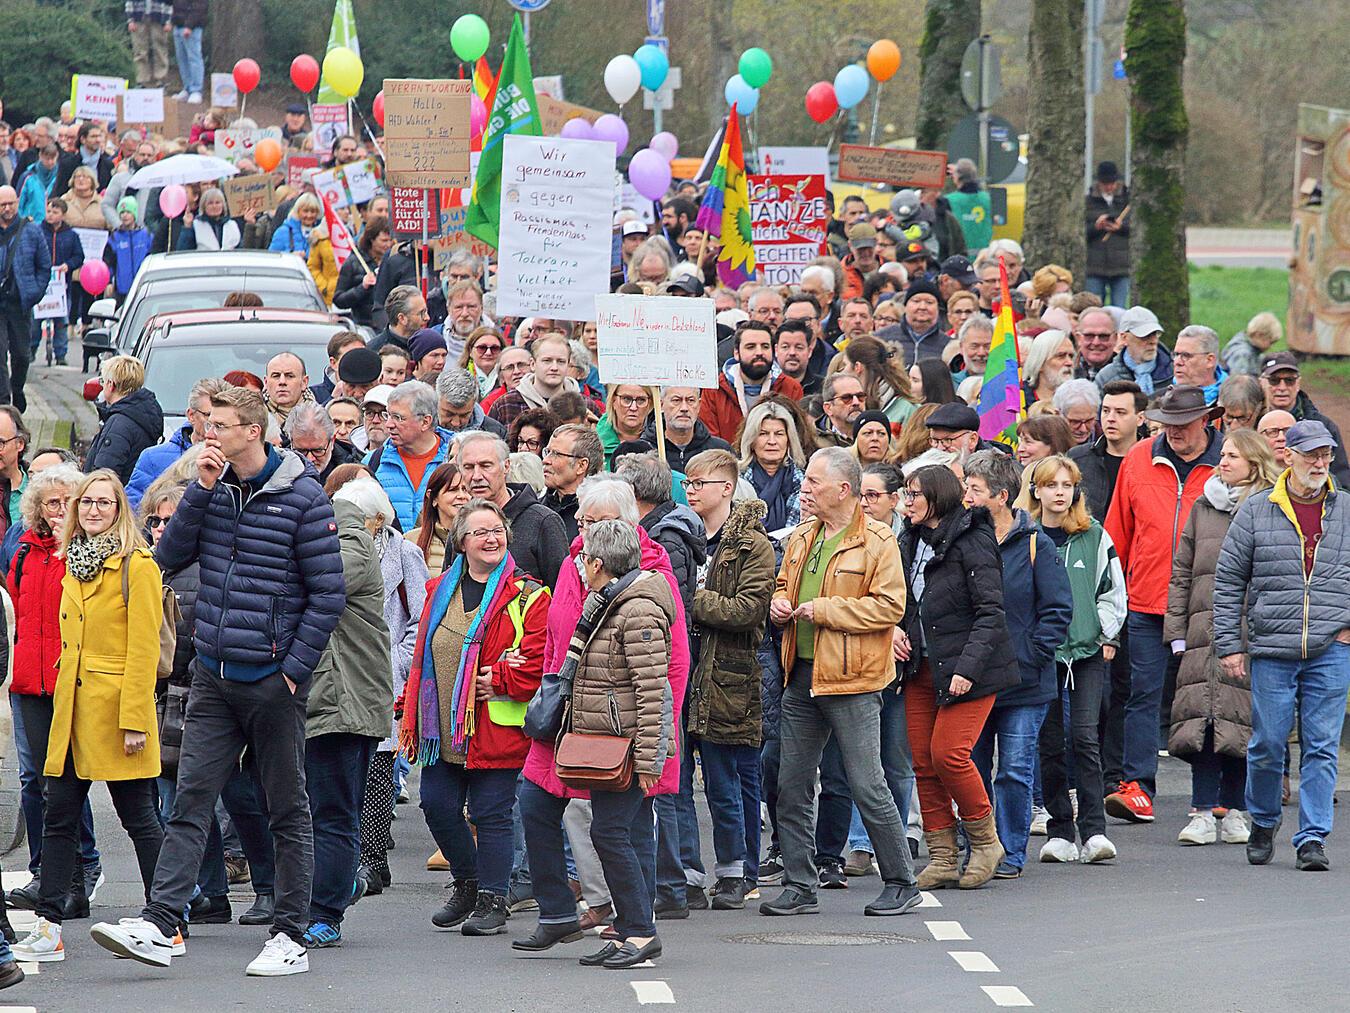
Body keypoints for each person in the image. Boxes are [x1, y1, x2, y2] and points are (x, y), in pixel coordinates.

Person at [88, 384, 344, 977]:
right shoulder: (210, 487)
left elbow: (329, 596)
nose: (209, 434)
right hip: (214, 674)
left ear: (253, 431)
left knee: (286, 808)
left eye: (220, 426)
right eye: (207, 424)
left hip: (273, 679)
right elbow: (168, 557)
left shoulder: (302, 496)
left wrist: (292, 672)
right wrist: (201, 491)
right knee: (190, 801)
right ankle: (161, 921)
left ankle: (289, 934)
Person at [514, 479, 689, 949]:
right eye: (583, 520)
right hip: (568, 719)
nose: (585, 529)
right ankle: (560, 913)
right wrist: (549, 698)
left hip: (618, 729)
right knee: (536, 805)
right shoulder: (578, 563)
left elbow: (665, 673)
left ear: (626, 525)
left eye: (597, 522)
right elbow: (557, 643)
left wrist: (653, 747)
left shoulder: (646, 580)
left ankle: (636, 926)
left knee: (622, 829)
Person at [12, 470, 165, 964]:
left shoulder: (137, 565)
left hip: (116, 711)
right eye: (87, 502)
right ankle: (49, 925)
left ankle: (167, 919)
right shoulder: (73, 561)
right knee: (59, 817)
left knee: (139, 818)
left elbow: (144, 649)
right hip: (73, 708)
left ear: (120, 510)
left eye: (104, 502)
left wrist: (135, 718)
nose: (94, 510)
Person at [762, 447, 920, 917]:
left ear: (843, 489)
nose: (805, 489)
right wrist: (778, 604)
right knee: (791, 785)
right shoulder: (803, 535)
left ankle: (901, 881)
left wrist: (827, 610)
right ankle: (799, 883)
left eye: (814, 482)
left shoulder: (878, 540)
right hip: (801, 675)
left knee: (867, 784)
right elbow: (783, 585)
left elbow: (890, 607)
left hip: (853, 680)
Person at [404, 497, 548, 935]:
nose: (491, 539)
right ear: (461, 541)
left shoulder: (529, 595)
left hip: (495, 730)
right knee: (436, 806)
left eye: (497, 531)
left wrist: (500, 678)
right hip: (442, 732)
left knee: (491, 814)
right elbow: (423, 654)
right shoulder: (439, 590)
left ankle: (492, 899)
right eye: (480, 532)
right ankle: (467, 883)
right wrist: (409, 700)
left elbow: (540, 660)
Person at [1214, 420, 1350, 870]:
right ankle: (1264, 819)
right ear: (1287, 456)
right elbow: (1228, 580)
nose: (1320, 462)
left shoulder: (1346, 509)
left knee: (1322, 746)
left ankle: (1312, 838)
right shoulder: (1257, 510)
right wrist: (1229, 644)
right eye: (1310, 454)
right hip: (1272, 646)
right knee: (1268, 743)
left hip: (1332, 647)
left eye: (1325, 454)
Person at [1104, 385, 1224, 823]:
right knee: (1142, 694)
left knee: (1208, 698)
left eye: (1183, 423)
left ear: (1205, 421)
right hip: (1146, 600)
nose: (1174, 431)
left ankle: (1212, 792)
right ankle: (1138, 787)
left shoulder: (1227, 462)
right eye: (1168, 423)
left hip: (1206, 604)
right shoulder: (1138, 457)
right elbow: (1117, 531)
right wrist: (1111, 595)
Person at [897, 464, 1020, 890]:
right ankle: (943, 857)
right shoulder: (909, 539)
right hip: (921, 667)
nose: (907, 502)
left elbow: (991, 612)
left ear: (938, 497)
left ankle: (986, 844)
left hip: (971, 669)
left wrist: (966, 669)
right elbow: (904, 603)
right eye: (906, 494)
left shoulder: (973, 538)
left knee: (949, 754)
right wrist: (896, 630)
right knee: (923, 762)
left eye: (914, 494)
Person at [962, 451, 1073, 879]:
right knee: (972, 767)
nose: (967, 496)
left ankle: (1010, 852)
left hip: (1024, 682)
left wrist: (1030, 655)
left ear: (1001, 496)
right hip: (973, 678)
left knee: (1013, 770)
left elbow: (1057, 609)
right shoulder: (962, 540)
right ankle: (979, 846)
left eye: (975, 489)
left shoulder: (1034, 543)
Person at [1165, 429, 1276, 847]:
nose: (1222, 462)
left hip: (1255, 632)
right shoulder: (1203, 506)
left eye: (1232, 456)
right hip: (1203, 631)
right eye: (1223, 454)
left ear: (1254, 462)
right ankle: (1200, 811)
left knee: (1243, 720)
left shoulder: (1271, 507)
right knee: (1204, 720)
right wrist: (1177, 632)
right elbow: (1182, 571)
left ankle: (1235, 811)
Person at [7, 464, 105, 918]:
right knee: (35, 780)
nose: (61, 509)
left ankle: (78, 873)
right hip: (29, 681)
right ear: (38, 508)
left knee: (65, 783)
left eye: (69, 501)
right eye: (52, 502)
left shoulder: (85, 554)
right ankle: (46, 874)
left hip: (71, 681)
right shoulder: (25, 553)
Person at [300, 479, 393, 948]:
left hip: (343, 701)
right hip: (332, 698)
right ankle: (328, 894)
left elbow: (326, 580)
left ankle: (325, 911)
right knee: (324, 810)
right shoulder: (348, 533)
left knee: (331, 812)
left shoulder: (349, 539)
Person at [1023, 455, 1126, 866]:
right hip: (1042, 655)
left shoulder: (1094, 534)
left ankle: (1095, 831)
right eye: (1051, 485)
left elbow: (1112, 590)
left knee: (1084, 738)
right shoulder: (1025, 536)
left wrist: (1098, 631)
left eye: (1067, 485)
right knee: (1049, 742)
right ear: (1036, 490)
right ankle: (1060, 830)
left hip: (1085, 654)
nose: (1060, 493)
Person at [683, 452, 775, 910]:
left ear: (727, 488)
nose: (691, 490)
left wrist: (692, 599)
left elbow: (748, 610)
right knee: (680, 782)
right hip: (686, 670)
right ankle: (687, 873)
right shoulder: (682, 538)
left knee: (727, 782)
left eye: (700, 482)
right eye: (688, 482)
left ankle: (735, 872)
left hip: (729, 675)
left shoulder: (751, 545)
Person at [349, 478, 427, 897]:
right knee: (347, 767)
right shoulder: (334, 549)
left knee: (380, 767)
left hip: (386, 673)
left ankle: (373, 859)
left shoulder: (403, 552)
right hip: (344, 671)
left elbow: (420, 616)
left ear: (378, 519)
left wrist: (398, 659)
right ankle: (352, 858)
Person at [457, 432, 567, 589]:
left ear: (506, 467)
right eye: (468, 467)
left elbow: (561, 592)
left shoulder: (543, 521)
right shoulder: (462, 520)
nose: (476, 476)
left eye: (486, 466)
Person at [126, 377, 226, 508]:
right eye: (208, 415)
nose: (214, 424)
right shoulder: (153, 458)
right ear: (191, 415)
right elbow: (133, 508)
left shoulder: (235, 462)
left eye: (222, 419)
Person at [1257, 352, 1350, 488]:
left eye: (1290, 380)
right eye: (1274, 380)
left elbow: (1342, 478)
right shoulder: (1250, 419)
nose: (1282, 387)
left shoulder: (1323, 426)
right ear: (1261, 382)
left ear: (1298, 383)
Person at [370, 381, 452, 532]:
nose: (388, 424)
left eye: (398, 418)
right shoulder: (374, 461)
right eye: (388, 415)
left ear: (425, 422)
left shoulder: (455, 459)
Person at [0, 184, 51, 411]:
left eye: (10, 204)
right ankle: (3, 403)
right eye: (2, 205)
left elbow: (44, 266)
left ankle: (17, 388)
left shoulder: (31, 231)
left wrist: (34, 293)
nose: (7, 208)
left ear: (17, 202)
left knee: (21, 354)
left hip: (20, 303)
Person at [1069, 380, 1145, 521]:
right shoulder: (1077, 458)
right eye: (1105, 411)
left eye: (1120, 412)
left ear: (1140, 418)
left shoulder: (1152, 461)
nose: (1110, 418)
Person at [84, 356, 164, 485]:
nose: (102, 386)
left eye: (103, 381)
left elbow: (104, 473)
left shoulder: (119, 424)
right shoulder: (143, 414)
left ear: (110, 385)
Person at [489, 334, 583, 430]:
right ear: (533, 364)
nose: (554, 367)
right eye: (547, 361)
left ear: (568, 365)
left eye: (561, 361)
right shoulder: (505, 404)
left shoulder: (584, 404)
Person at [740, 400, 805, 535]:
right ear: (751, 440)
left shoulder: (802, 483)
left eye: (779, 434)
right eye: (763, 434)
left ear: (789, 440)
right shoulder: (738, 482)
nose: (772, 441)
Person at [641, 388, 732, 473]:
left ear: (699, 405)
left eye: (690, 400)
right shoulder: (644, 451)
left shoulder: (719, 451)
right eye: (676, 400)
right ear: (661, 405)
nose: (684, 408)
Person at [542, 424, 603, 542]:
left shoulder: (598, 518)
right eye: (547, 452)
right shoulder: (536, 508)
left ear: (581, 465)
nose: (546, 460)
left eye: (556, 454)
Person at [1094, 306, 1174, 395]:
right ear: (1124, 338)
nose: (1153, 341)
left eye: (1155, 334)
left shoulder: (1175, 371)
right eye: (1144, 336)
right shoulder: (1106, 377)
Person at [839, 335, 920, 423]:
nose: (842, 371)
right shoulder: (849, 407)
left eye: (845, 365)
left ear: (857, 367)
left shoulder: (909, 410)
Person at [406, 462, 468, 574]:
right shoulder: (410, 541)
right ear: (433, 497)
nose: (462, 496)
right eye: (452, 490)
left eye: (465, 489)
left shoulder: (480, 538)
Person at [1085, 162, 1131, 307]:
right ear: (1099, 182)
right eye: (1105, 184)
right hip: (1094, 267)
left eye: (1112, 183)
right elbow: (1081, 234)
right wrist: (1096, 227)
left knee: (1119, 308)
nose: (1109, 187)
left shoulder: (1127, 201)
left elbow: (1136, 231)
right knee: (1094, 307)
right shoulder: (1088, 202)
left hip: (1121, 266)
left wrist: (1121, 227)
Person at [333, 221, 391, 328]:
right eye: (384, 241)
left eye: (390, 240)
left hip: (388, 325)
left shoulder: (393, 261)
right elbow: (339, 300)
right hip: (364, 326)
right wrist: (363, 287)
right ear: (371, 240)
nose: (388, 245)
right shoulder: (353, 263)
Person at [877, 278, 946, 366]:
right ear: (905, 306)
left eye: (929, 302)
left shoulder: (947, 344)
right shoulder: (881, 338)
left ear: (938, 308)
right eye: (916, 301)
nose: (922, 307)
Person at [284, 402, 354, 487]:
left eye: (318, 451)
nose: (310, 459)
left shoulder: (353, 474)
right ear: (291, 443)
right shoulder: (278, 468)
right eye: (301, 451)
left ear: (332, 441)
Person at [436, 368, 506, 440]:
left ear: (473, 405)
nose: (456, 423)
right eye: (449, 414)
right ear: (437, 402)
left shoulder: (495, 433)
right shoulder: (427, 430)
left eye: (464, 415)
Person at [946, 159, 993, 253]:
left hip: (960, 254)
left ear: (958, 177)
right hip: (984, 254)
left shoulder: (949, 200)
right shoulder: (986, 198)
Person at [597, 386, 652, 466]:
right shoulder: (593, 446)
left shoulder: (662, 445)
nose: (633, 407)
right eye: (626, 399)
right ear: (613, 401)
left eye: (641, 400)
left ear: (650, 404)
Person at [175, 187, 243, 251]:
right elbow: (182, 250)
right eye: (210, 203)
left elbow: (241, 249)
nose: (214, 206)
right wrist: (187, 227)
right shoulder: (196, 225)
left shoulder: (232, 224)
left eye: (217, 203)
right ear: (204, 206)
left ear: (223, 205)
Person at [1172, 325, 1227, 405]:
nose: (1177, 362)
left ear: (1209, 360)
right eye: (1176, 354)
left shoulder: (1234, 398)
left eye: (1186, 355)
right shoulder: (1160, 399)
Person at [1021, 330, 1077, 407]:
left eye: (1071, 356)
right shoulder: (1019, 401)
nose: (1069, 362)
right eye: (1061, 356)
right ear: (1040, 364)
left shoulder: (1081, 399)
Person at [1222, 311, 1282, 378]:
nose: (1271, 347)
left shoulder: (1254, 350)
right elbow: (1238, 381)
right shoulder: (1242, 355)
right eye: (1271, 342)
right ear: (1259, 335)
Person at [128, 0, 173, 88]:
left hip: (159, 17)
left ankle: (161, 80)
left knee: (160, 50)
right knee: (139, 51)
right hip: (138, 17)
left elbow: (169, 2)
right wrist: (130, 20)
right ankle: (141, 80)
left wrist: (168, 21)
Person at [815, 373, 866, 449]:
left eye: (860, 396)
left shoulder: (879, 433)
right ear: (828, 408)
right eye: (846, 398)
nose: (856, 402)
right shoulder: (813, 442)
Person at [170, 0, 206, 103]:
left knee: (194, 58)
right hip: (178, 26)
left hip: (192, 28)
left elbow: (199, 7)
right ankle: (187, 88)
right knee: (182, 59)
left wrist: (190, 25)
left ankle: (196, 90)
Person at [268, 193, 322, 258]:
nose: (309, 215)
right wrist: (290, 256)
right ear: (297, 211)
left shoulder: (322, 233)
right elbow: (272, 257)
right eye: (305, 211)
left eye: (313, 211)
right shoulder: (283, 232)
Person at [458, 327, 504, 400]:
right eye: (482, 348)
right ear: (470, 351)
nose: (488, 353)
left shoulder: (509, 379)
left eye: (494, 348)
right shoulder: (458, 379)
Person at [1074, 308, 1120, 381]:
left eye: (1103, 336)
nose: (1096, 343)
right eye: (1089, 336)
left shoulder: (1131, 374)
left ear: (1115, 338)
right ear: (1078, 338)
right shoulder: (1065, 371)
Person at [1053, 378, 1102, 446]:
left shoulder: (1107, 442)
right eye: (1075, 422)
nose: (1083, 429)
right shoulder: (1043, 444)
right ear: (1057, 414)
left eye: (1089, 421)